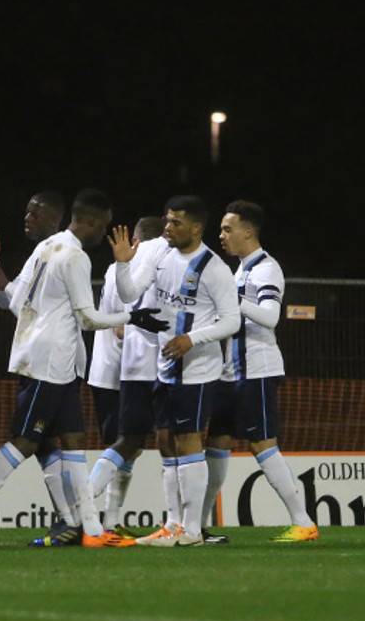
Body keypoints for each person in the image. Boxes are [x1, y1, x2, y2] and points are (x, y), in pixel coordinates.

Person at [0, 189, 168, 549]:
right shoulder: (75, 257)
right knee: (26, 441)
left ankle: (92, 531)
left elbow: (15, 301)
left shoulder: (46, 248)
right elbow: (88, 317)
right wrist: (134, 316)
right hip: (48, 362)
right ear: (93, 222)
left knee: (75, 442)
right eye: (105, 226)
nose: (105, 234)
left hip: (57, 362)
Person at [108, 195, 241, 547]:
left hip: (197, 370)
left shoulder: (214, 268)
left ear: (196, 228)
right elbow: (129, 294)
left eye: (175, 223)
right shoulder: (159, 253)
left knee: (187, 441)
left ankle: (193, 530)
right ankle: (172, 525)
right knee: (165, 442)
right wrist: (123, 264)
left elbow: (232, 320)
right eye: (167, 221)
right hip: (166, 366)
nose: (167, 228)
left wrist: (191, 339)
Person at [0, 190, 98, 546]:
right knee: (37, 441)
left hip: (58, 363)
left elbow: (23, 305)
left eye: (35, 213)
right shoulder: (45, 252)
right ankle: (75, 523)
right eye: (27, 211)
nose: (27, 218)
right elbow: (14, 301)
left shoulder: (58, 254)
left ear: (56, 217)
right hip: (49, 363)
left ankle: (80, 525)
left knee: (59, 441)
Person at [200, 200, 318, 543]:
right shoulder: (239, 271)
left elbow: (270, 317)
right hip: (229, 373)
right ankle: (197, 524)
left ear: (248, 231)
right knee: (215, 444)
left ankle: (303, 522)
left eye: (227, 228)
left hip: (256, 371)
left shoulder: (266, 268)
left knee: (262, 444)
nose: (221, 235)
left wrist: (230, 301)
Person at [85, 216, 165, 539]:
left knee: (132, 446)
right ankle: (82, 510)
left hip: (118, 371)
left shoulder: (130, 265)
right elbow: (120, 327)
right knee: (125, 442)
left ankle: (110, 522)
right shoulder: (130, 267)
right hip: (116, 372)